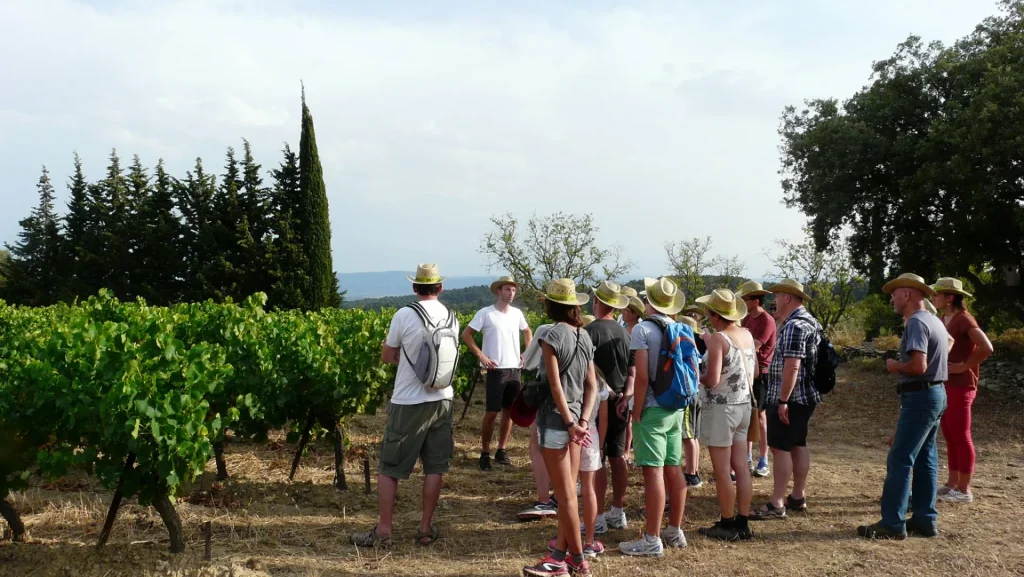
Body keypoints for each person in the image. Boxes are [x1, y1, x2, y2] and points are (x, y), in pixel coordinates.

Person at [351, 264, 458, 548]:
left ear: (414, 288)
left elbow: (388, 355)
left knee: (390, 467)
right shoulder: (452, 315)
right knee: (435, 466)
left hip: (409, 400)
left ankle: (384, 531)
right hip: (443, 398)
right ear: (440, 288)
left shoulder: (405, 314)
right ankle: (424, 529)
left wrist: (405, 356)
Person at [858, 274, 950, 540]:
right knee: (926, 459)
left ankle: (893, 523)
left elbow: (918, 366)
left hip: (920, 397)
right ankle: (924, 519)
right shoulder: (934, 320)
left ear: (907, 294)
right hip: (936, 394)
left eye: (894, 293)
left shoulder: (917, 324)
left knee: (900, 459)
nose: (892, 298)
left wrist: (895, 365)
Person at [522, 279, 598, 577]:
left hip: (556, 422)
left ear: (552, 305)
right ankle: (557, 556)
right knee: (570, 494)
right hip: (579, 422)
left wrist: (567, 421)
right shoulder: (584, 336)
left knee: (564, 497)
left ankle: (577, 562)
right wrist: (581, 421)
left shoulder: (552, 335)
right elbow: (591, 385)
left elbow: (554, 385)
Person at [619, 277, 689, 557]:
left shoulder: (642, 330)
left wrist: (637, 412)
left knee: (653, 474)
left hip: (652, 408)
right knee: (674, 468)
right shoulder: (678, 326)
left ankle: (651, 539)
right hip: (676, 406)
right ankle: (675, 531)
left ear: (648, 301)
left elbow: (643, 376)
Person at [751, 278, 821, 521]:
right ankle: (797, 496)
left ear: (788, 298)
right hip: (804, 396)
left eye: (778, 296)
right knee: (798, 444)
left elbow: (792, 366)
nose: (775, 300)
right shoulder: (810, 322)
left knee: (780, 449)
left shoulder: (794, 326)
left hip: (790, 398)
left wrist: (782, 401)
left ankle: (777, 503)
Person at [695, 289, 755, 541]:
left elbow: (712, 379)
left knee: (722, 470)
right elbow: (756, 372)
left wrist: (694, 374)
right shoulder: (746, 334)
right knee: (741, 467)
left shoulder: (719, 339)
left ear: (712, 313)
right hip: (744, 406)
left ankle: (726, 522)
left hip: (722, 409)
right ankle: (742, 521)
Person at [931, 277, 993, 504]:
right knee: (949, 435)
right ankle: (951, 484)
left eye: (937, 294)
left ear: (950, 297)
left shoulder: (964, 320)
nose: (933, 297)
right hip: (945, 385)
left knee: (961, 436)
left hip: (962, 386)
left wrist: (965, 366)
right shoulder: (943, 318)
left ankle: (964, 490)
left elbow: (987, 347)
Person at [462, 276, 533, 471]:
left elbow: (527, 331)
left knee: (509, 413)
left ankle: (501, 449)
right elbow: (466, 335)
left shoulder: (517, 313)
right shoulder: (486, 314)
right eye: (508, 289)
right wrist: (482, 356)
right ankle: (484, 452)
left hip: (514, 369)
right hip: (495, 370)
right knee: (492, 412)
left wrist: (527, 352)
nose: (511, 293)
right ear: (498, 291)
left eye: (514, 290)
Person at [583, 282, 634, 536]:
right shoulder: (625, 333)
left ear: (596, 301)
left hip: (598, 402)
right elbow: (633, 370)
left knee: (598, 458)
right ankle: (618, 511)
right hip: (622, 402)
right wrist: (626, 394)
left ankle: (598, 517)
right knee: (618, 455)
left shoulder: (589, 332)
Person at [516, 322, 559, 521]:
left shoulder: (546, 330)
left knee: (538, 445)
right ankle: (560, 495)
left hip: (548, 397)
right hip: (575, 399)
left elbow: (530, 362)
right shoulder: (580, 332)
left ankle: (544, 500)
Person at [737, 280, 776, 478]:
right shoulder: (746, 319)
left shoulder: (766, 320)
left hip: (761, 372)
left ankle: (763, 459)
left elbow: (755, 345)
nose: (743, 301)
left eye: (745, 298)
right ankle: (747, 457)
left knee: (760, 417)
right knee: (748, 415)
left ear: (755, 300)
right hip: (747, 370)